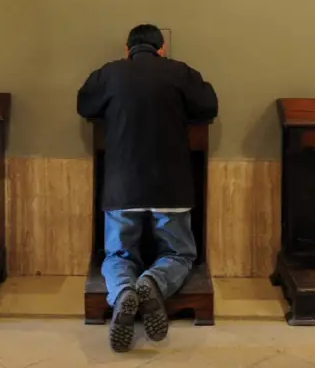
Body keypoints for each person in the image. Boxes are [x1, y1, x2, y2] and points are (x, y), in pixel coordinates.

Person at [76, 24, 219, 352]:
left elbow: (84, 106)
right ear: (162, 48)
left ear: (127, 49)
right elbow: (209, 107)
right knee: (179, 253)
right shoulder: (179, 72)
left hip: (121, 188)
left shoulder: (110, 73)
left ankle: (124, 291)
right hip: (171, 187)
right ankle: (152, 283)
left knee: (118, 253)